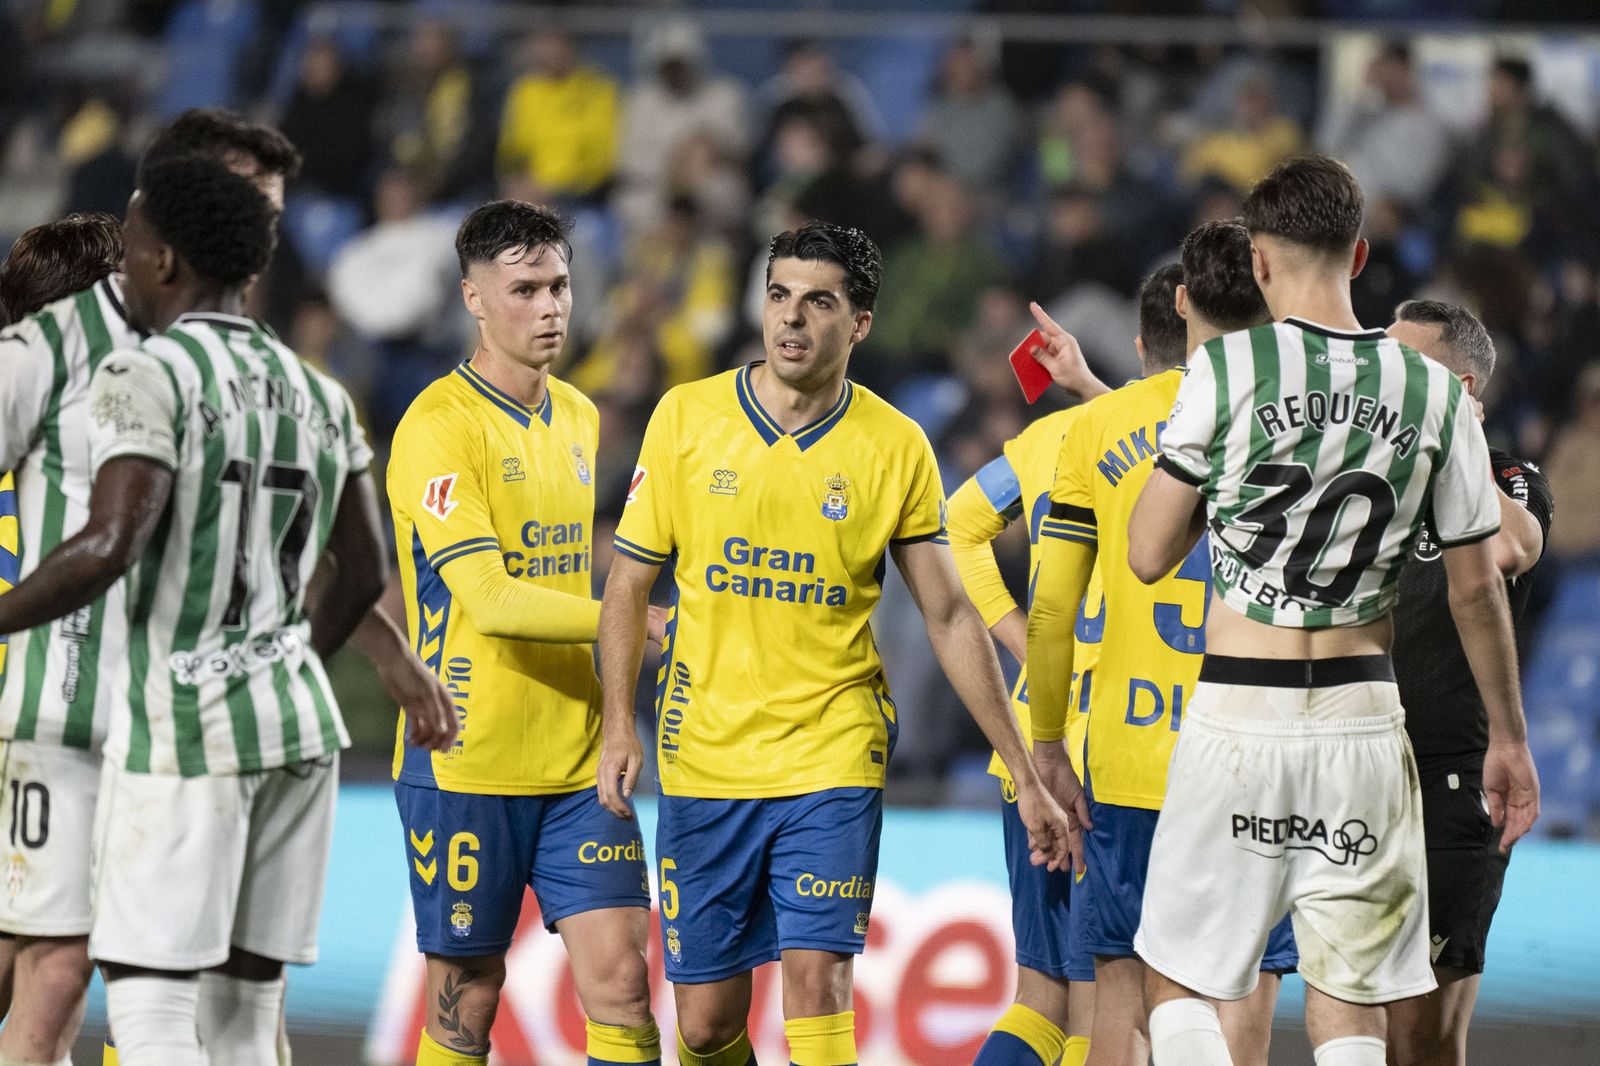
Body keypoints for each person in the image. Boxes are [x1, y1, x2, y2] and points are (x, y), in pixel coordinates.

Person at [0, 113, 455, 1066]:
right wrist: (287, 657)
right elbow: (350, 561)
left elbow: (127, 541)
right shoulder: (298, 384)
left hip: (178, 723)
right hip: (167, 718)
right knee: (193, 1002)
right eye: (255, 203)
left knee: (154, 1003)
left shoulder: (173, 369)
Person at [597, 221, 1073, 1066]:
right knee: (704, 1025)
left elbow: (949, 615)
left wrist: (1025, 768)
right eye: (779, 296)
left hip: (833, 750)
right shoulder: (687, 417)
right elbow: (630, 584)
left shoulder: (895, 445)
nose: (791, 318)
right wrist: (615, 727)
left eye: (818, 302)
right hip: (705, 754)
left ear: (860, 323)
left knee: (817, 985)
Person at [1126, 155, 1539, 1066]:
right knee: (1351, 1004)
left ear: (1259, 262)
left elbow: (1147, 554)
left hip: (1241, 710)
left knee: (1179, 982)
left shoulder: (1227, 367)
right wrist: (1509, 737)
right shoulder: (1435, 392)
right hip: (1364, 720)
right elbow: (1477, 587)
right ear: (1358, 257)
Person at [387, 200, 667, 1066]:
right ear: (473, 298)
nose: (550, 308)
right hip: (466, 757)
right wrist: (632, 618)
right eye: (525, 290)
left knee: (623, 986)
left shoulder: (580, 415)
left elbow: (567, 580)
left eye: (559, 287)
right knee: (467, 1003)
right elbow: (492, 600)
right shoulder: (438, 426)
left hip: (579, 759)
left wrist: (616, 715)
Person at [1027, 227, 1295, 1066]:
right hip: (1254, 750)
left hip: (1131, 755)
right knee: (1240, 999)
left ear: (1180, 300)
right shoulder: (1298, 421)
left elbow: (1052, 610)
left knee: (1122, 1004)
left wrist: (1047, 744)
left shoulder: (1096, 427)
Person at [1383, 300, 1551, 1066]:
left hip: (1453, 777)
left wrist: (1456, 438)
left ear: (1463, 386)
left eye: (1408, 364)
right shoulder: (1365, 472)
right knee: (1352, 1016)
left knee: (1423, 1036)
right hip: (1355, 760)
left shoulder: (1509, 476)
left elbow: (1511, 548)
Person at [949, 303, 1115, 1066]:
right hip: (1127, 739)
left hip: (1032, 734)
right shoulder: (1192, 443)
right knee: (1106, 1005)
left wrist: (1021, 640)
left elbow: (957, 523)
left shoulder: (1047, 439)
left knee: (1040, 998)